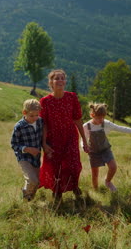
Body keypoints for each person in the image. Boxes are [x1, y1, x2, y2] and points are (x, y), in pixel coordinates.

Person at [40, 69, 89, 202]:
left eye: (62, 78)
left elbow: (78, 119)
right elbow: (43, 124)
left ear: (65, 81)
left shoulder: (71, 97)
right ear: (51, 82)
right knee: (55, 167)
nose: (60, 81)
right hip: (53, 138)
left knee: (74, 165)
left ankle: (74, 186)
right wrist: (44, 143)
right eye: (57, 78)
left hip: (70, 137)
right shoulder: (45, 101)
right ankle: (57, 192)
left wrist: (84, 140)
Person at [83, 103, 131, 192]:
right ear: (92, 115)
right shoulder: (86, 126)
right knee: (95, 173)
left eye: (103, 117)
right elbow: (83, 139)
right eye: (99, 118)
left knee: (113, 167)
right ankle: (96, 190)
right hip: (93, 152)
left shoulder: (106, 124)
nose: (101, 120)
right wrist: (83, 146)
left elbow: (120, 128)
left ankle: (107, 181)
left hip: (105, 150)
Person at [11, 99, 43, 201]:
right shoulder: (19, 126)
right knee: (32, 180)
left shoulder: (40, 122)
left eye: (37, 115)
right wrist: (27, 149)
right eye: (31, 116)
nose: (35, 118)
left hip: (36, 158)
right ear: (24, 113)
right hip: (24, 157)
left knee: (36, 182)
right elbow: (14, 144)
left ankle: (29, 200)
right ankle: (25, 196)